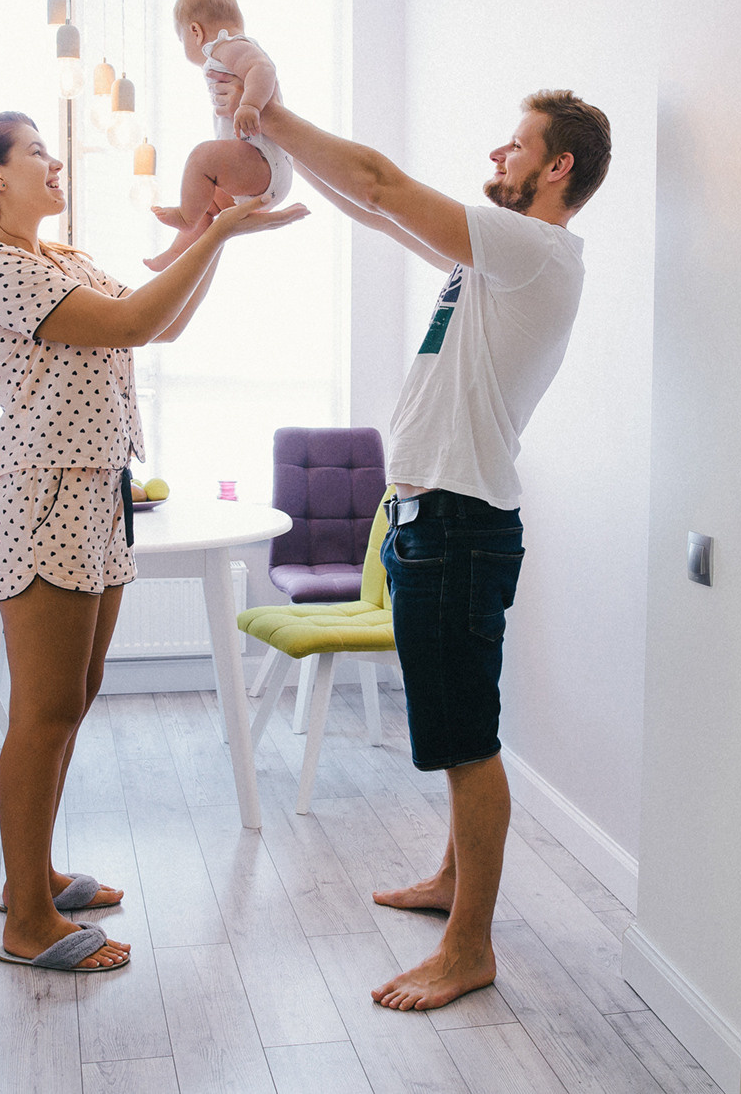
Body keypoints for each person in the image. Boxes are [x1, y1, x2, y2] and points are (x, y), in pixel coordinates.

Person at [218, 77, 611, 1010]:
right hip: (431, 522)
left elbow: (385, 183)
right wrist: (280, 175)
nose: (495, 157)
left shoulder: (533, 248)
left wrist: (270, 116)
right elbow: (377, 206)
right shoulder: (494, 259)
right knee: (452, 728)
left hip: (461, 527)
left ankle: (469, 947)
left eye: (514, 146)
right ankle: (450, 884)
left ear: (557, 167)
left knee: (466, 744)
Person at [0, 111, 302, 972]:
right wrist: (220, 233)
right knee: (45, 708)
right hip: (42, 499)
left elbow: (158, 318)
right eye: (36, 152)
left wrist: (216, 231)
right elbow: (135, 320)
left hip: (96, 495)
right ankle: (26, 918)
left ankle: (36, 874)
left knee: (77, 691)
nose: (54, 162)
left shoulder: (58, 258)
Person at [143, 0, 296, 272]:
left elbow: (263, 69)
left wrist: (250, 104)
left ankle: (186, 218)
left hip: (263, 162)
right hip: (260, 174)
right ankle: (175, 253)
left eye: (181, 39)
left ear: (195, 32)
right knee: (207, 202)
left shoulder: (227, 45)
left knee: (201, 158)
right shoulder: (227, 51)